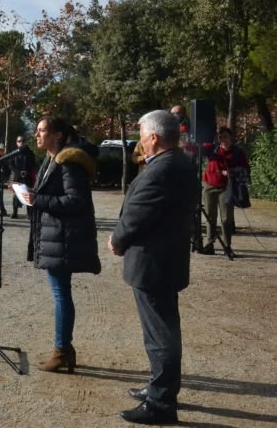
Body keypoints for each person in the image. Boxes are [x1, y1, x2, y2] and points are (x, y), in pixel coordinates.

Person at [109, 110, 199, 425]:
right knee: (162, 332)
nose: (140, 140)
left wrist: (117, 240)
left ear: (154, 138)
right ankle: (158, 389)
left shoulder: (163, 169)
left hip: (154, 263)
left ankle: (161, 404)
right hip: (164, 260)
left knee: (160, 336)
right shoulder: (177, 164)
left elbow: (137, 214)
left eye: (142, 134)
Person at [23, 116, 101, 373]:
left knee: (61, 295)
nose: (37, 135)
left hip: (62, 238)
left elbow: (75, 201)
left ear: (57, 135)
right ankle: (64, 349)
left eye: (42, 131)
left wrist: (38, 199)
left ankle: (62, 350)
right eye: (37, 131)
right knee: (61, 293)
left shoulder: (68, 163)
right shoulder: (50, 159)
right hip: (53, 236)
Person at [200, 127, 250, 254]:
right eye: (220, 136)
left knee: (226, 218)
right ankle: (209, 244)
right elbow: (196, 148)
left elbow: (246, 169)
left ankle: (227, 246)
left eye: (226, 136)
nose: (223, 139)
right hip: (209, 185)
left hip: (226, 188)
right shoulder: (212, 148)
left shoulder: (237, 152)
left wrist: (231, 172)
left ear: (231, 137)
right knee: (210, 216)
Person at [7, 134, 37, 219]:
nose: (21, 143)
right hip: (17, 176)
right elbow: (10, 164)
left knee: (28, 194)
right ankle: (14, 212)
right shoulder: (14, 153)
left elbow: (33, 164)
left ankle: (29, 214)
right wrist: (18, 172)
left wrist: (27, 172)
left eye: (23, 141)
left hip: (27, 177)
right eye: (19, 141)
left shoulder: (30, 153)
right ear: (17, 143)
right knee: (16, 194)